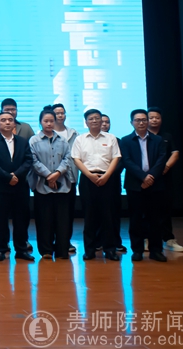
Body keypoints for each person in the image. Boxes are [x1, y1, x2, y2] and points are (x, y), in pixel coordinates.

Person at [72, 109, 121, 261]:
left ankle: (110, 249)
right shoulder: (80, 139)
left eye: (97, 118)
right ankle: (90, 250)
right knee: (89, 216)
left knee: (108, 215)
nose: (94, 121)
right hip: (88, 180)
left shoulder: (111, 138)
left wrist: (106, 176)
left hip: (107, 179)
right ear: (86, 122)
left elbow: (116, 158)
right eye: (91, 118)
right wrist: (89, 175)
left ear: (101, 121)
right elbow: (76, 159)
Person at [0, 111, 34, 262]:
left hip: (20, 186)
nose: (7, 122)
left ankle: (21, 249)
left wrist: (16, 176)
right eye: (3, 120)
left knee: (21, 219)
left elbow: (28, 160)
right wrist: (8, 177)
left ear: (14, 123)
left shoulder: (23, 141)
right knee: (0, 220)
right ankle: (1, 249)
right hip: (0, 186)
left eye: (10, 120)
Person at [121, 109, 168, 262]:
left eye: (143, 120)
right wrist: (143, 177)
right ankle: (137, 250)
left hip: (155, 184)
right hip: (135, 185)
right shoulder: (125, 140)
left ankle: (156, 250)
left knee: (155, 218)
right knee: (136, 219)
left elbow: (162, 159)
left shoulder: (158, 140)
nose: (141, 123)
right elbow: (127, 161)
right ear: (132, 123)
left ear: (147, 121)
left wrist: (151, 176)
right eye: (137, 120)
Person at [28, 110, 72, 260]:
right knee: (44, 220)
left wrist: (57, 173)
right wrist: (48, 175)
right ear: (40, 122)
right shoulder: (34, 140)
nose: (49, 124)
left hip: (62, 185)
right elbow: (33, 161)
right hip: (42, 186)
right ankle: (46, 250)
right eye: (45, 121)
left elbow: (67, 158)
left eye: (51, 121)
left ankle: (62, 250)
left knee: (62, 221)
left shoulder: (63, 140)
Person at [147, 107, 183, 252]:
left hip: (164, 178)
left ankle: (168, 239)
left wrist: (165, 167)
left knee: (165, 209)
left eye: (157, 117)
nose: (154, 120)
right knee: (146, 210)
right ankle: (147, 238)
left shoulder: (167, 136)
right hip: (147, 178)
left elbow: (175, 153)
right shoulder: (143, 136)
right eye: (151, 117)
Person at [53, 103, 80, 254]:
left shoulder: (73, 133)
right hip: (51, 178)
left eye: (62, 112)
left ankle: (65, 241)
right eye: (57, 113)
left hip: (70, 178)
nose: (60, 115)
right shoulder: (44, 133)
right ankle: (52, 241)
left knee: (67, 213)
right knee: (52, 213)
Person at [99, 113, 127, 253]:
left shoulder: (117, 140)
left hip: (113, 181)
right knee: (97, 213)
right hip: (96, 180)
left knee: (114, 213)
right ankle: (98, 241)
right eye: (102, 121)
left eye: (107, 122)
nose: (104, 124)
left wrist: (108, 174)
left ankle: (116, 242)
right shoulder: (88, 140)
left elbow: (121, 161)